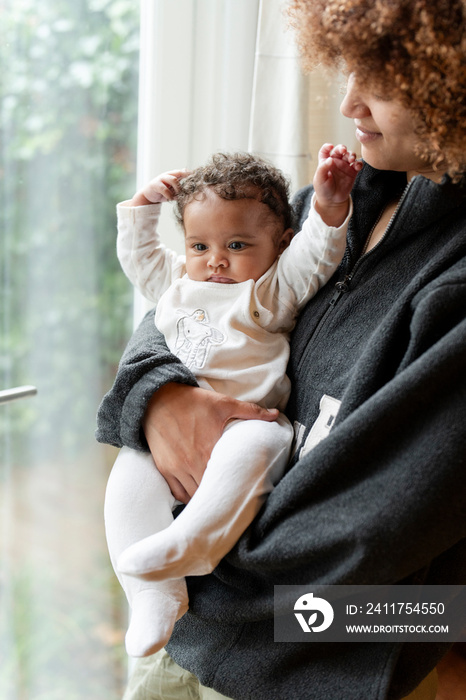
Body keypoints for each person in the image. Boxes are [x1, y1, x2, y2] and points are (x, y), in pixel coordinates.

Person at [96, 0, 466, 697]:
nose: (348, 98)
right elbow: (184, 308)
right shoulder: (324, 206)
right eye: (351, 66)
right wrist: (160, 398)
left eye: (385, 77)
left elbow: (374, 540)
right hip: (186, 634)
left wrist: (206, 571)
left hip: (306, 672)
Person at [104, 146, 362, 658]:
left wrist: (331, 207)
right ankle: (153, 594)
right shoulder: (180, 285)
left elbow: (315, 257)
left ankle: (197, 540)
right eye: (199, 244)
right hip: (167, 427)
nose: (215, 259)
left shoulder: (267, 293)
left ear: (278, 245)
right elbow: (140, 259)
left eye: (237, 243)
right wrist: (142, 208)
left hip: (250, 420)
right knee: (128, 477)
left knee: (260, 443)